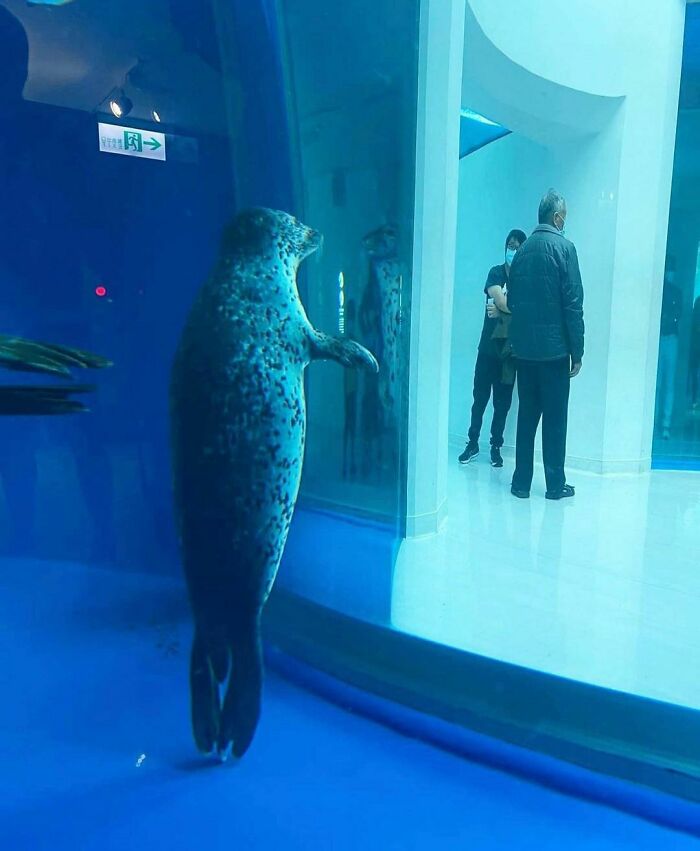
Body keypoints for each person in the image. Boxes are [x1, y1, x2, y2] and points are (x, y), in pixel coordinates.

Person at [508, 189, 584, 500]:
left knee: (526, 417)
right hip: (554, 354)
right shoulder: (565, 248)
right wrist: (577, 351)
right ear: (556, 217)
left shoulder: (522, 251)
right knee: (555, 420)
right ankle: (554, 485)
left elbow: (512, 301)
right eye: (564, 216)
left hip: (524, 354)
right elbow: (573, 305)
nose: (565, 221)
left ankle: (520, 483)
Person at [458, 228, 527, 468]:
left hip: (509, 355)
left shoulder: (524, 279)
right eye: (510, 245)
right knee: (480, 399)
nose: (513, 250)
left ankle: (496, 446)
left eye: (518, 246)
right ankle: (472, 443)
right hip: (487, 350)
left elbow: (524, 310)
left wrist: (504, 310)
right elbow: (499, 299)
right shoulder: (495, 273)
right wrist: (509, 307)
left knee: (502, 403)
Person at [656, 257, 682, 439]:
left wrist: (668, 319)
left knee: (668, 383)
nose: (669, 273)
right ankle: (657, 421)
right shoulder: (658, 290)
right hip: (658, 340)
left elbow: (677, 316)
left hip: (671, 339)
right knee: (657, 383)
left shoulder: (676, 293)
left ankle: (665, 423)